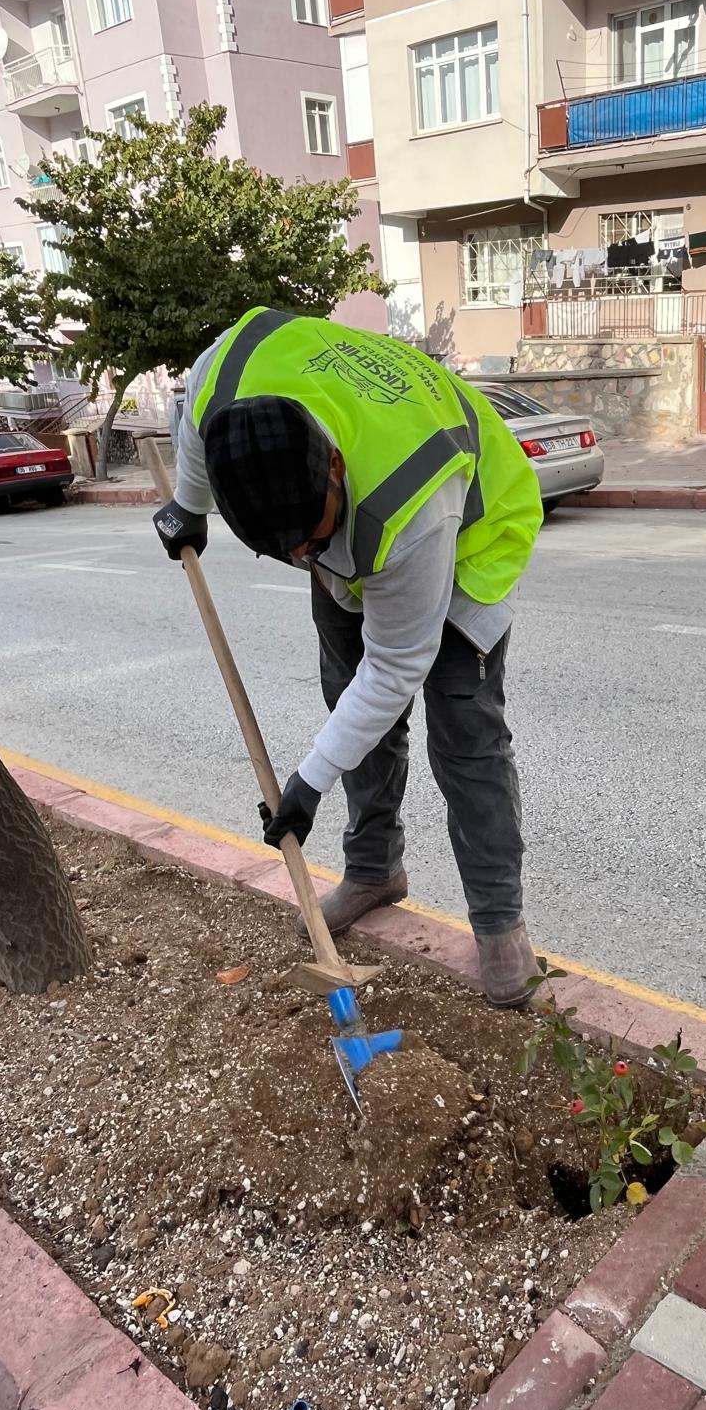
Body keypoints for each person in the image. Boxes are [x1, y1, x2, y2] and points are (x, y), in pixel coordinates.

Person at [152, 307, 544, 1006]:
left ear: (334, 465)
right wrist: (189, 506)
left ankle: (499, 924)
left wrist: (307, 784)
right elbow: (196, 431)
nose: (303, 555)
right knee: (351, 711)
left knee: (467, 740)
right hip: (365, 535)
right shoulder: (226, 379)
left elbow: (395, 668)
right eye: (284, 551)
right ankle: (373, 871)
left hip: (468, 538)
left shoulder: (409, 504)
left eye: (311, 537)